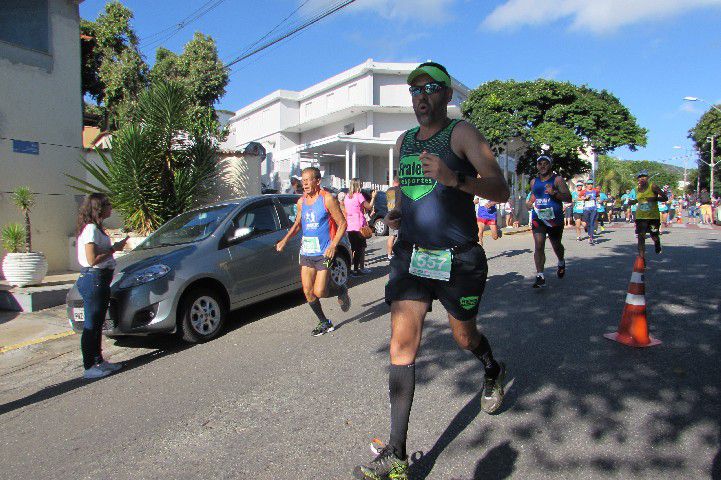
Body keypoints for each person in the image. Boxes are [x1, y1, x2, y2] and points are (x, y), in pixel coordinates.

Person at [353, 62, 510, 480]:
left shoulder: (462, 134)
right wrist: (395, 210)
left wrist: (454, 177)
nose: (421, 96)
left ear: (446, 95)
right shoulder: (405, 140)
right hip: (412, 257)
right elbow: (404, 187)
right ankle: (397, 454)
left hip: (458, 259)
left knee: (464, 337)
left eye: (430, 87)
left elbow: (500, 186)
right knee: (401, 347)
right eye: (415, 90)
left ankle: (491, 368)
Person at [276, 167, 351, 336]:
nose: (304, 184)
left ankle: (341, 289)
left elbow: (342, 224)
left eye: (308, 180)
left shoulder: (327, 199)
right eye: (303, 181)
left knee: (320, 292)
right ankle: (324, 322)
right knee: (308, 292)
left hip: (324, 252)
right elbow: (297, 225)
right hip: (307, 252)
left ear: (317, 181)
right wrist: (285, 240)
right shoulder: (301, 202)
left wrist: (333, 245)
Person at [75, 193, 128, 379]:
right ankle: (89, 366)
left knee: (97, 324)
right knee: (91, 324)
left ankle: (98, 361)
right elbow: (92, 259)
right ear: (98, 208)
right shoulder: (90, 229)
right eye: (107, 205)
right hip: (94, 279)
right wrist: (114, 249)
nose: (110, 208)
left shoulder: (96, 229)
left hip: (101, 279)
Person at [526, 155, 572, 288]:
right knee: (539, 245)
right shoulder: (534, 182)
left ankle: (561, 261)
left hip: (554, 218)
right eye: (540, 164)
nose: (542, 166)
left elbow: (568, 198)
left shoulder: (557, 180)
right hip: (538, 217)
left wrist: (555, 193)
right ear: (537, 166)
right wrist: (529, 203)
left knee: (556, 245)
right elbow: (533, 196)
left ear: (550, 165)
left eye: (545, 163)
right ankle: (540, 275)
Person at [629, 170, 667, 260]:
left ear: (648, 177)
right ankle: (641, 258)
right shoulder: (635, 189)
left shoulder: (653, 186)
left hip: (653, 217)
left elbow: (665, 198)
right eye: (640, 177)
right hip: (640, 217)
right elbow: (638, 200)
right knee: (641, 237)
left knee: (654, 235)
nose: (642, 178)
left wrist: (655, 198)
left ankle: (657, 244)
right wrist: (632, 202)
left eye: (644, 176)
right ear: (638, 179)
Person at [344, 178, 377, 275]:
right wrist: (373, 197)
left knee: (353, 248)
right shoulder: (359, 196)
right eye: (361, 184)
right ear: (358, 185)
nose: (362, 185)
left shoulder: (347, 197)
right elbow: (369, 206)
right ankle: (356, 270)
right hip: (359, 226)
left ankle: (351, 269)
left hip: (350, 226)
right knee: (359, 248)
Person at [386, 176, 401, 260]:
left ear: (393, 182)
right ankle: (398, 254)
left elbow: (390, 205)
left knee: (391, 236)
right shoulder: (402, 190)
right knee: (399, 237)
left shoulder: (390, 190)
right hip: (399, 215)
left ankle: (389, 255)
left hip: (391, 215)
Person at [581, 179, 599, 245]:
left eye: (591, 184)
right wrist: (585, 198)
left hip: (594, 209)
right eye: (588, 184)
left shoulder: (595, 191)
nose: (590, 185)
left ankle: (591, 237)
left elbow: (598, 197)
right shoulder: (583, 191)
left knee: (592, 222)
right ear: (586, 185)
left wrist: (598, 200)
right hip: (586, 209)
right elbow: (579, 198)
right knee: (587, 222)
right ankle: (589, 233)